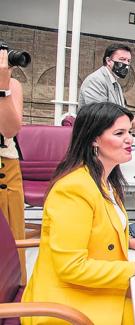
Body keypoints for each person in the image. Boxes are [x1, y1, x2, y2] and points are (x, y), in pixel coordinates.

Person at [21, 102, 135, 325]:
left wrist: (130, 242)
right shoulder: (73, 190)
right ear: (93, 139)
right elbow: (71, 268)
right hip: (67, 307)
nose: (129, 139)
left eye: (129, 131)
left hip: (92, 291)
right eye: (119, 133)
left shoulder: (105, 180)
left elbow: (95, 228)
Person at [0, 41, 26, 283]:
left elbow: (9, 129)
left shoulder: (12, 85)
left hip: (5, 168)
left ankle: (13, 290)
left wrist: (2, 86)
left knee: (11, 235)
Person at [78, 43, 135, 129]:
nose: (126, 64)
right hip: (93, 137)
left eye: (128, 61)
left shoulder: (116, 84)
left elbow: (119, 113)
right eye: (122, 59)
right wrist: (130, 123)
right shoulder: (96, 80)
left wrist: (131, 117)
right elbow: (99, 116)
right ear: (108, 61)